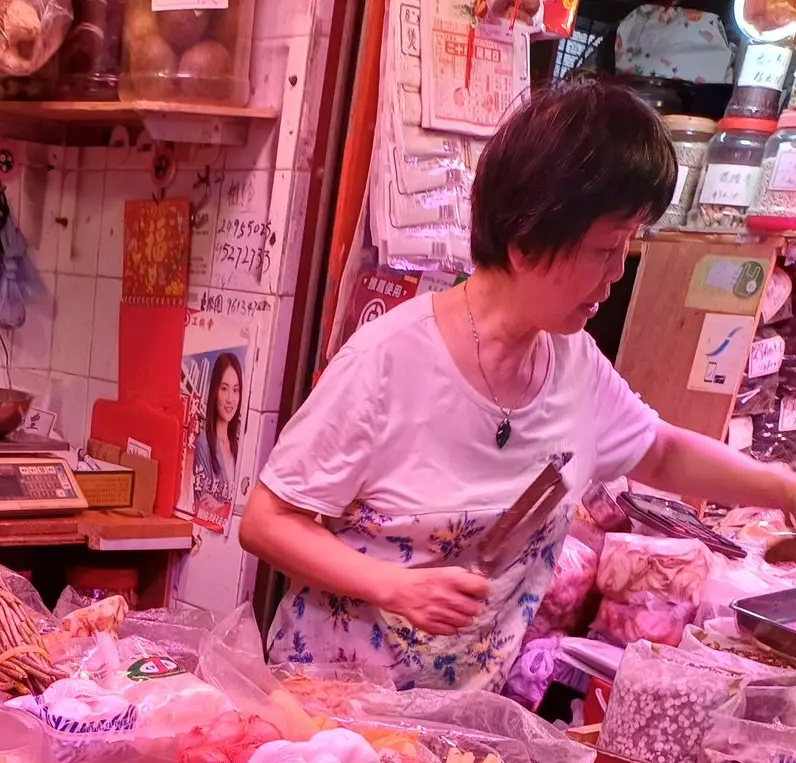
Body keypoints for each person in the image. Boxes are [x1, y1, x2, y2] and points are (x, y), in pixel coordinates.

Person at [241, 82, 796, 690]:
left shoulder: (573, 361)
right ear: (526, 242)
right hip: (330, 708)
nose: (617, 273)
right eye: (604, 249)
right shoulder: (387, 361)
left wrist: (783, 488)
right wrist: (393, 586)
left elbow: (658, 451)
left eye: (627, 246)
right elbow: (267, 522)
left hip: (461, 712)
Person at [193, 352, 242, 508]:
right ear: (215, 391)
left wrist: (221, 506)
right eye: (224, 389)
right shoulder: (203, 443)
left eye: (236, 390)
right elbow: (201, 505)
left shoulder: (239, 447)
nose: (230, 399)